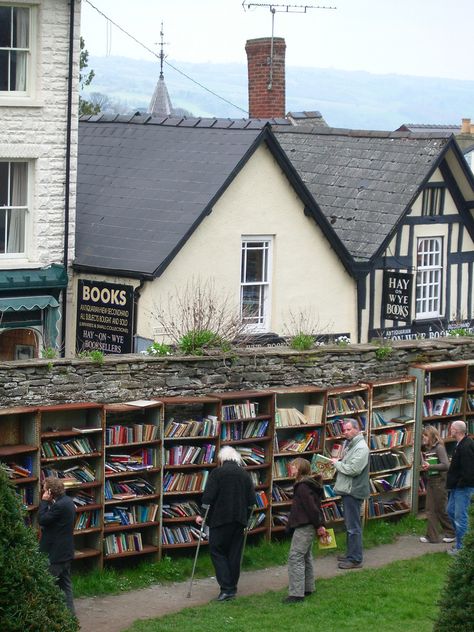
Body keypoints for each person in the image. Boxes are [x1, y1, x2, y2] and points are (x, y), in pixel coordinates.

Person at [196, 446, 256, 601]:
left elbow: (208, 497)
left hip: (219, 520)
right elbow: (252, 501)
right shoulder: (245, 474)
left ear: (222, 459)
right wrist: (247, 518)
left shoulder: (217, 473)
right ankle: (232, 587)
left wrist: (202, 516)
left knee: (217, 551)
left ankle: (226, 589)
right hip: (239, 520)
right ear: (236, 459)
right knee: (234, 554)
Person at [283, 457, 329, 604]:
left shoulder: (302, 486)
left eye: (294, 467)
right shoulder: (308, 484)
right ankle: (308, 587)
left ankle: (296, 594)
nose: (291, 469)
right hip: (309, 524)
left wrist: (319, 525)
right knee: (306, 556)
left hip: (305, 525)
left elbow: (311, 508)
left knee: (295, 557)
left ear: (301, 469)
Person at [331, 418, 369, 569]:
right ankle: (350, 554)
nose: (345, 433)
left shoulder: (361, 448)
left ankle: (355, 559)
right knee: (350, 525)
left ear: (356, 429)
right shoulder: (352, 445)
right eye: (344, 430)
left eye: (348, 430)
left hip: (353, 490)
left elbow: (353, 470)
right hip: (349, 489)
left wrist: (336, 463)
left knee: (353, 526)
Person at [38, 476, 76, 615]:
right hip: (66, 551)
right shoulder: (68, 502)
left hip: (56, 554)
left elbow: (42, 520)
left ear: (49, 491)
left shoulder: (59, 505)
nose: (42, 491)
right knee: (65, 585)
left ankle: (47, 616)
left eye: (44, 488)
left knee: (45, 584)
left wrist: (43, 502)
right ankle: (70, 616)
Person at [419, 425, 455, 544]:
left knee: (441, 509)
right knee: (430, 509)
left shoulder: (439, 448)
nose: (423, 438)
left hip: (439, 482)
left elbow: (446, 465)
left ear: (432, 436)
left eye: (426, 436)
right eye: (423, 435)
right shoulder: (428, 448)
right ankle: (432, 536)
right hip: (431, 481)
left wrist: (431, 466)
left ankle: (451, 532)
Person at [445, 420, 474, 554]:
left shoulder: (466, 446)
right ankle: (461, 541)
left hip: (463, 487)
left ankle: (462, 549)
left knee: (460, 516)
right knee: (450, 511)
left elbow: (469, 469)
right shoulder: (459, 444)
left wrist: (461, 483)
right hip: (456, 486)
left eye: (451, 429)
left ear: (456, 430)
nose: (450, 431)